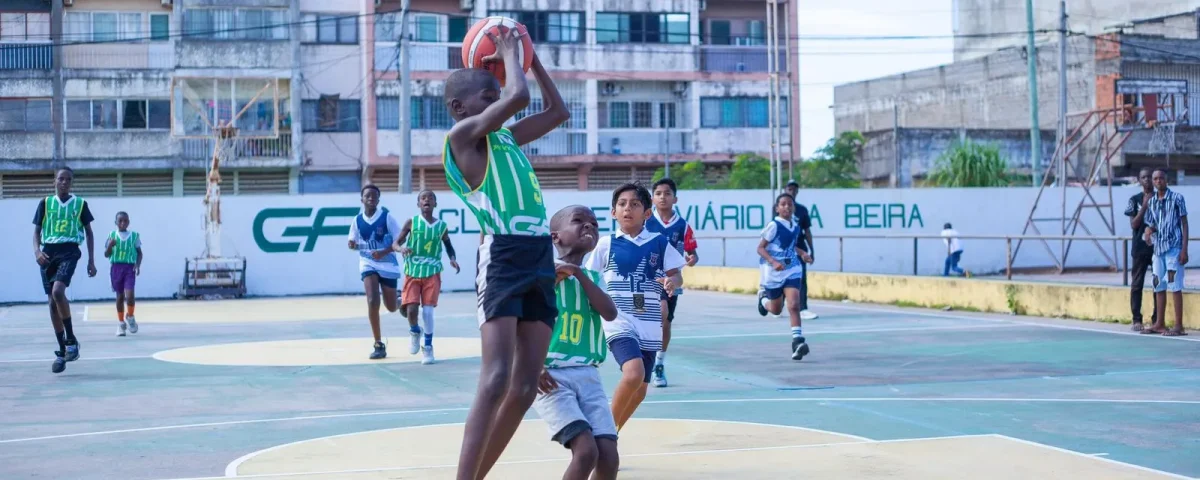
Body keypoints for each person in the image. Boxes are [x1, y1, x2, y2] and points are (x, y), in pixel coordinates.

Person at [441, 29, 571, 480]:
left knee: (522, 387)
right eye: (487, 95)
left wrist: (531, 59)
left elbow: (559, 111)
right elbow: (517, 97)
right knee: (496, 378)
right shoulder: (462, 139)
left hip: (538, 254)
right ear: (461, 108)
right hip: (502, 255)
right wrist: (513, 55)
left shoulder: (508, 141)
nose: (498, 97)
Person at [584, 183, 685, 432]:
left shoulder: (659, 243)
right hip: (619, 319)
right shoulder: (606, 244)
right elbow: (587, 278)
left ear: (647, 214)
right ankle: (602, 433)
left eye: (635, 204)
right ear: (613, 212)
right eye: (622, 204)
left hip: (649, 324)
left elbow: (677, 275)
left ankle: (612, 433)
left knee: (639, 390)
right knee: (633, 373)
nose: (627, 208)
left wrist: (672, 282)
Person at [532, 205, 620, 480]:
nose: (589, 226)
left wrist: (578, 274)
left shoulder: (594, 278)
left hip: (588, 376)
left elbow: (610, 312)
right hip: (549, 376)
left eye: (594, 223)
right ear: (555, 237)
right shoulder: (540, 275)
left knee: (609, 456)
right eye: (579, 221)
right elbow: (520, 323)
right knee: (585, 452)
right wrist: (530, 367)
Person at [32, 166, 97, 374]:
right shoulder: (45, 203)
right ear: (54, 180)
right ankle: (63, 350)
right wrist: (37, 252)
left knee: (58, 292)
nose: (64, 182)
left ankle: (71, 340)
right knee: (52, 304)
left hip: (69, 250)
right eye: (61, 179)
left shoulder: (80, 204)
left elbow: (89, 233)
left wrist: (91, 260)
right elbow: (36, 231)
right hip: (48, 253)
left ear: (71, 183)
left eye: (68, 180)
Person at [393, 190, 459, 365]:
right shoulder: (411, 222)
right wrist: (401, 249)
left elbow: (448, 246)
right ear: (418, 204)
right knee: (412, 310)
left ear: (435, 204)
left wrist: (452, 259)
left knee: (428, 312)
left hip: (432, 271)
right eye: (423, 198)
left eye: (430, 198)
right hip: (413, 271)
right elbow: (395, 243)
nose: (427, 200)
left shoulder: (441, 226)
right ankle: (415, 331)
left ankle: (428, 347)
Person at [644, 178, 698, 388]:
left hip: (670, 278)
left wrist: (692, 259)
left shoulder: (683, 226)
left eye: (667, 193)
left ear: (675, 198)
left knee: (664, 320)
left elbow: (692, 253)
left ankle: (658, 363)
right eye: (658, 193)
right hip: (647, 277)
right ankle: (643, 357)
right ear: (652, 198)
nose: (662, 197)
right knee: (654, 317)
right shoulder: (646, 222)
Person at [347, 184, 403, 360]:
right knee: (372, 300)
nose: (371, 198)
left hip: (387, 264)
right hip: (368, 262)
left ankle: (401, 301)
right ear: (362, 199)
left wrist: (384, 252)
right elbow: (352, 241)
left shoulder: (387, 218)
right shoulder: (357, 220)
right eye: (367, 196)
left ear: (378, 200)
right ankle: (378, 344)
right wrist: (352, 245)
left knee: (392, 307)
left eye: (374, 196)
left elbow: (400, 239)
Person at [755, 193, 812, 361]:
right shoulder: (773, 225)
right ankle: (763, 300)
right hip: (773, 271)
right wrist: (773, 262)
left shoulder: (794, 225)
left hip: (792, 268)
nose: (787, 207)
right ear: (777, 208)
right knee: (776, 309)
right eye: (783, 204)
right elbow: (760, 248)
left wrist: (802, 253)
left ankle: (797, 341)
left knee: (794, 304)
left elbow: (791, 246)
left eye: (790, 204)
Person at [1142, 169, 1189, 336]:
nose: (1158, 181)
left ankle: (1178, 325)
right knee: (1158, 285)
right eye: (1155, 179)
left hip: (1174, 249)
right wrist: (1148, 230)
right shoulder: (1152, 202)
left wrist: (1184, 250)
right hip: (1158, 250)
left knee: (1174, 285)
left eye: (1161, 178)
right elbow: (1153, 223)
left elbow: (1184, 224)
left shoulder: (1177, 198)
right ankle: (1159, 323)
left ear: (1166, 180)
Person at [1124, 167, 1158, 331]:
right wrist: (1144, 205)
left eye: (1150, 177)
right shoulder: (1134, 199)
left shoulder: (1162, 198)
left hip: (1158, 248)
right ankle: (1136, 319)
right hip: (1139, 248)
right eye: (1144, 177)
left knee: (1158, 284)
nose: (1147, 180)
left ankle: (1157, 319)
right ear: (1139, 180)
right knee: (1137, 284)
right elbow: (1134, 224)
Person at [783, 180, 818, 320]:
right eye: (790, 189)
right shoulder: (779, 208)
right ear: (785, 190)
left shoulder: (802, 210)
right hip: (785, 249)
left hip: (800, 248)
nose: (792, 192)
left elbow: (807, 231)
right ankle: (778, 304)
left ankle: (802, 308)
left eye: (795, 190)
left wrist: (811, 250)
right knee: (783, 278)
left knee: (801, 278)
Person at [104, 211, 142, 337]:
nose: (123, 223)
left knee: (130, 295)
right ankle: (120, 323)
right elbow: (106, 254)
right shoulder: (111, 235)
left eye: (125, 221)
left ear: (128, 222)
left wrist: (137, 264)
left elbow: (139, 253)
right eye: (120, 221)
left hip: (129, 268)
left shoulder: (134, 236)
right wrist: (109, 246)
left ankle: (130, 316)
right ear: (116, 222)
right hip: (116, 268)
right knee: (120, 297)